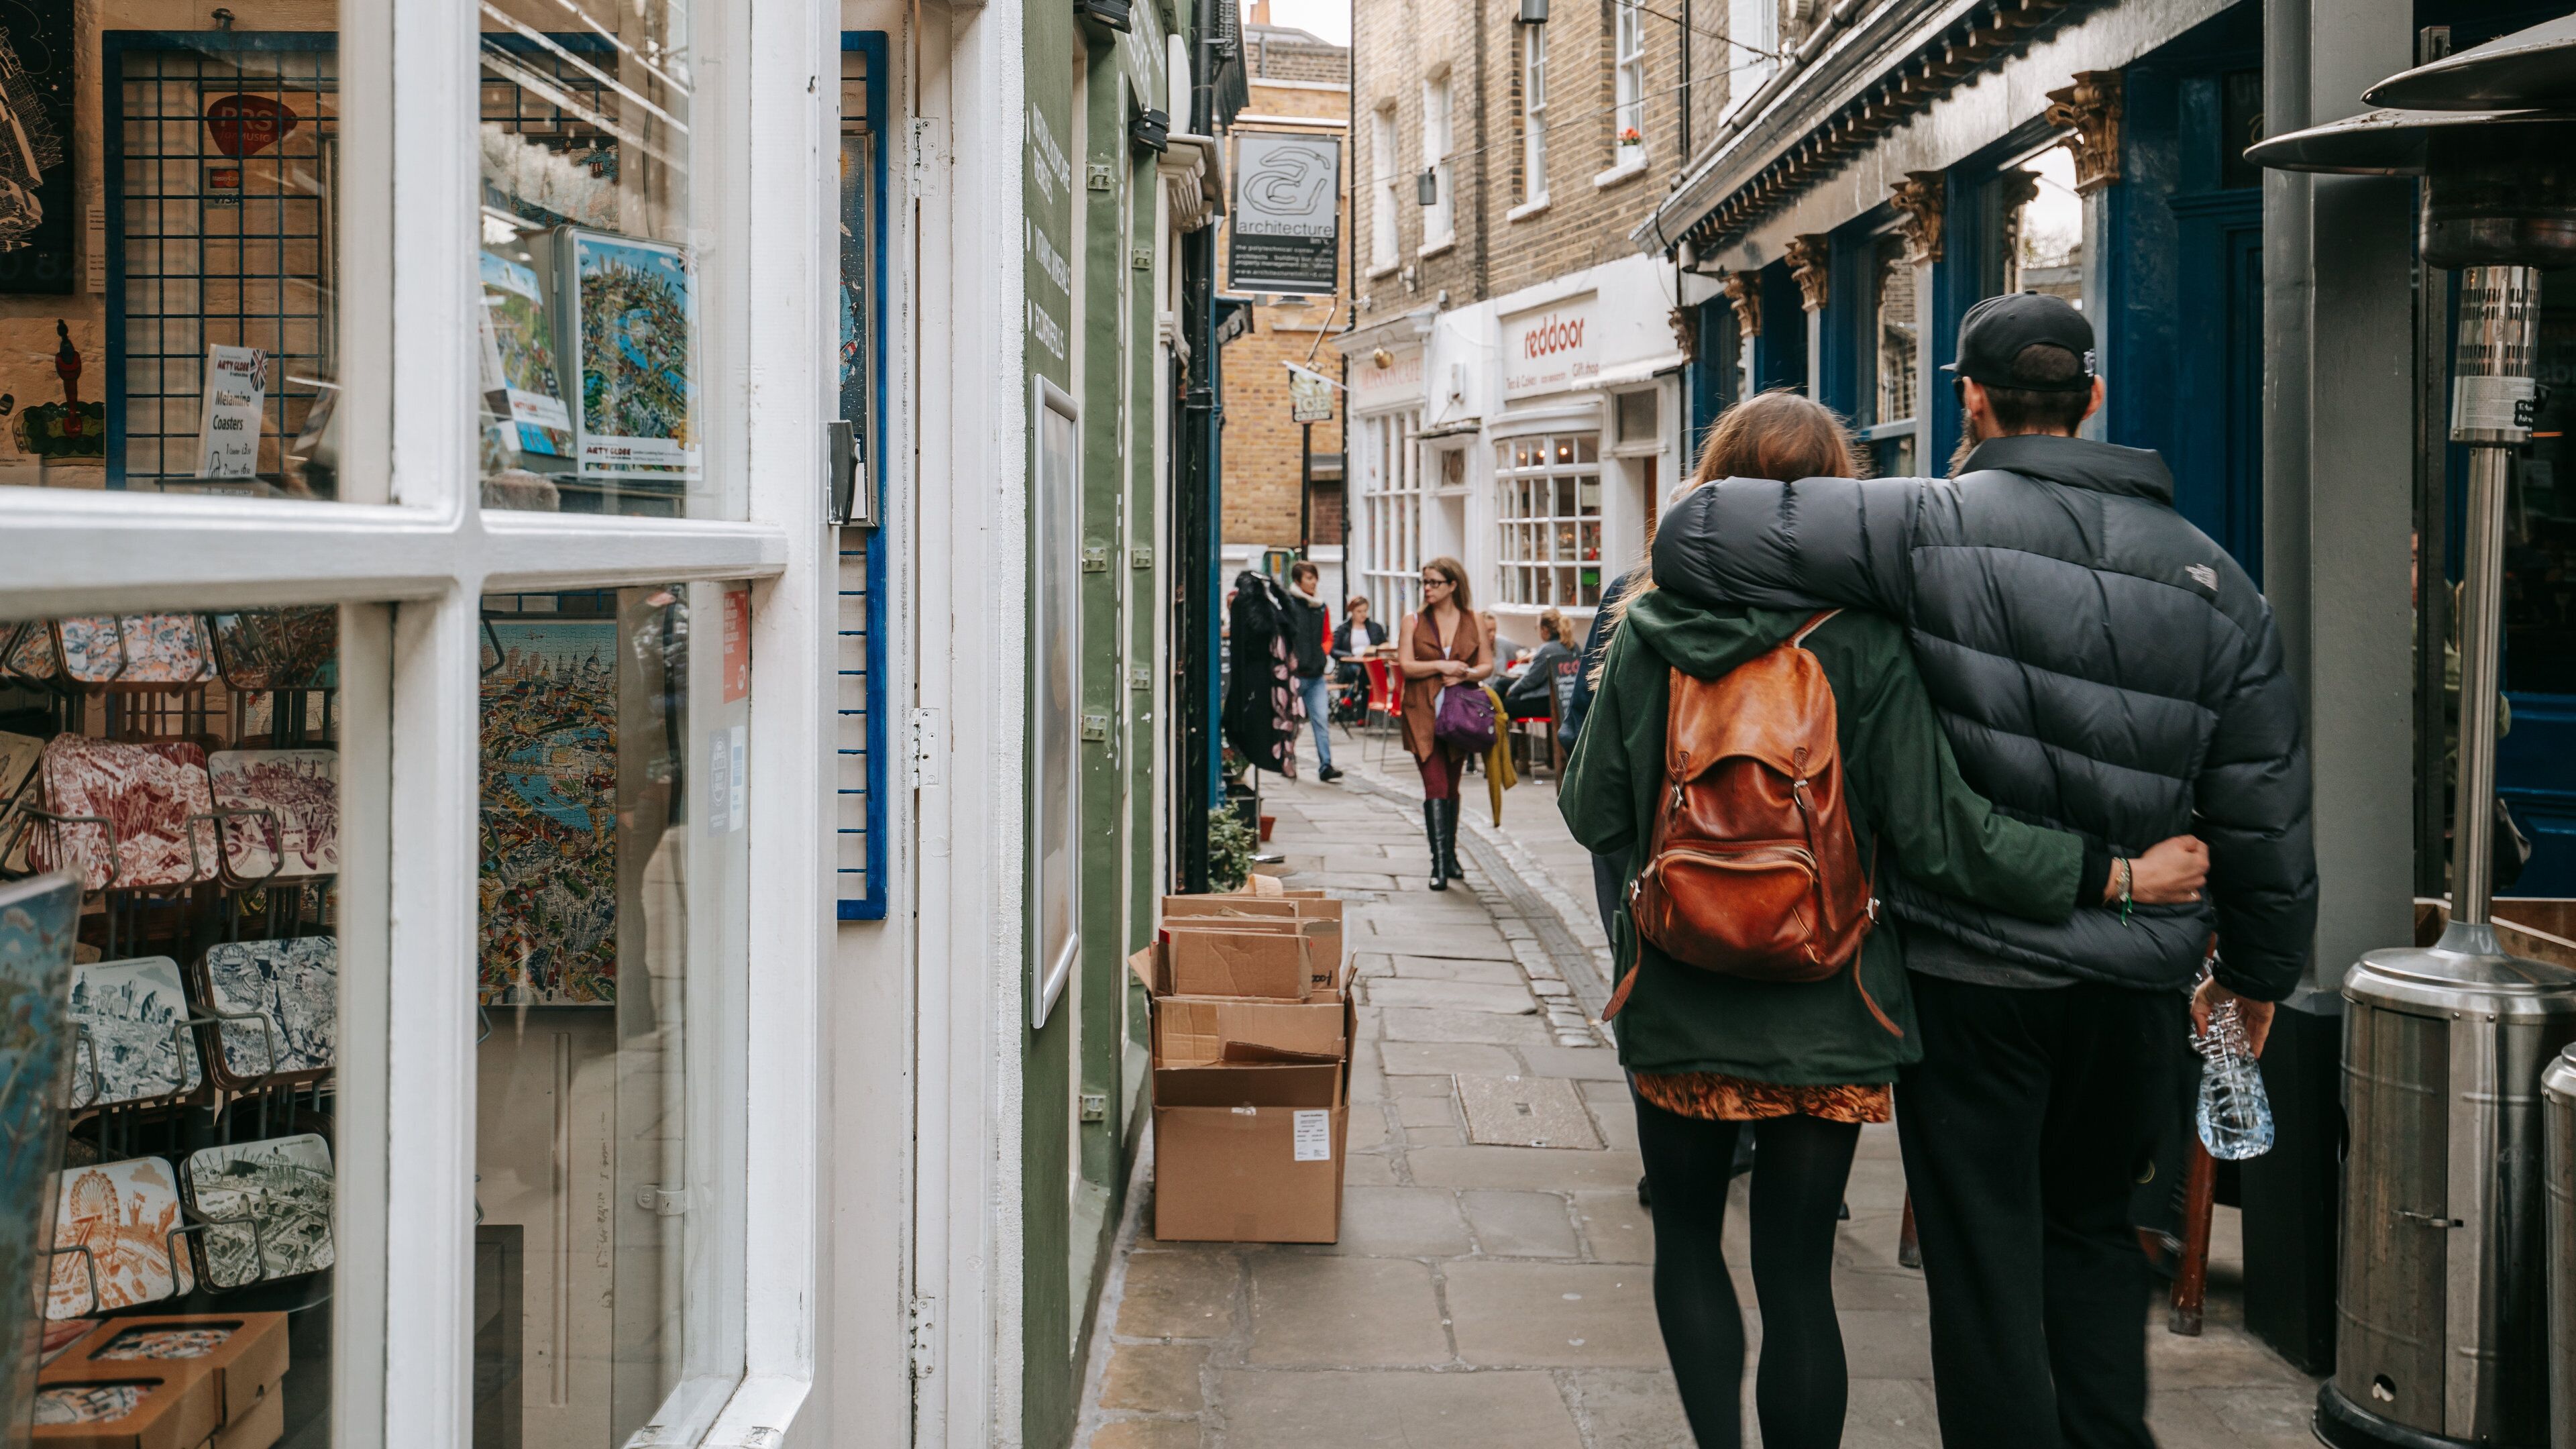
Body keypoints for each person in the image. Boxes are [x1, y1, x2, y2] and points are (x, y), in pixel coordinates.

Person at [1650, 296, 2317, 1449]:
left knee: (1983, 1261)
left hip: (1971, 980)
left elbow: (1694, 533)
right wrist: (2256, 975)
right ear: (2093, 397)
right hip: (2132, 985)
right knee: (2099, 1240)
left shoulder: (1921, 526)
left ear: (1968, 398)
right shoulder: (2216, 580)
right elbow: (2265, 807)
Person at [1559, 388, 2212, 1449]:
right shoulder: (1866, 642)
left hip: (1677, 998)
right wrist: (2116, 878)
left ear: (1711, 489)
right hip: (1831, 1008)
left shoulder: (1648, 631)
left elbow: (1590, 812)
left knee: (1687, 1248)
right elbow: (1946, 837)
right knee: (1799, 1281)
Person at [1399, 557, 1491, 890]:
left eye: (1435, 582)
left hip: (1459, 718)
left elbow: (1487, 665)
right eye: (1425, 582)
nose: (1428, 588)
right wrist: (1442, 666)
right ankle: (1438, 865)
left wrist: (1465, 673)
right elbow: (1406, 666)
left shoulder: (1473, 619)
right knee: (1435, 786)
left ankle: (1450, 857)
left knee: (1452, 787)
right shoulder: (1412, 621)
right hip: (1421, 715)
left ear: (1453, 585)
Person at [1281, 561, 1340, 782]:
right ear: (1298, 581)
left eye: (1315, 577)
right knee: (1292, 722)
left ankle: (1326, 766)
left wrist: (1323, 652)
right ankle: (1286, 760)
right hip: (1295, 676)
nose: (1314, 582)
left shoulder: (1321, 607)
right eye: (1309, 578)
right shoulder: (1289, 606)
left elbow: (1327, 635)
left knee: (1321, 721)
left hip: (1316, 676)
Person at [1501, 607, 1577, 719]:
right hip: (1566, 699)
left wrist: (1511, 691)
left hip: (1549, 702)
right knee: (1503, 683)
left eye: (1537, 628)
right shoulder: (1573, 646)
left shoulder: (1547, 649)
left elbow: (1531, 680)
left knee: (1506, 703)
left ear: (1545, 630)